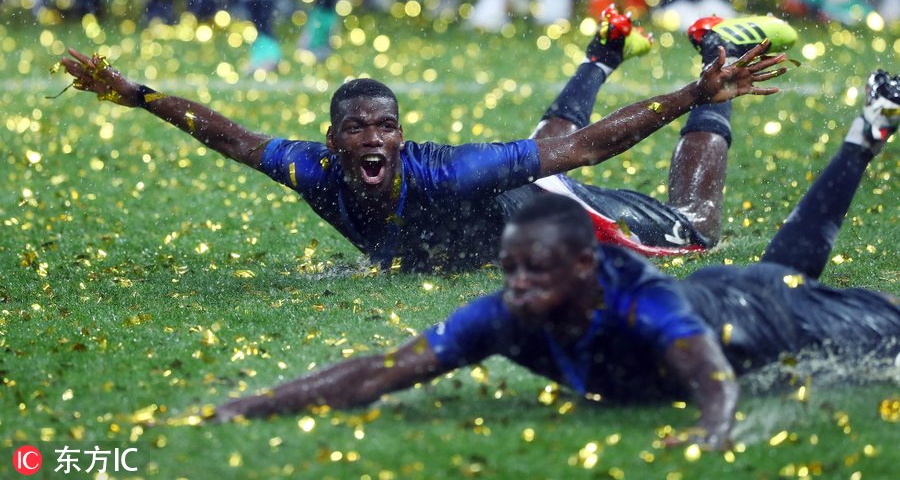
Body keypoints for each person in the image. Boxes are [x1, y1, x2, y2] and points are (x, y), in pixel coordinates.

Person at [211, 73, 900, 451]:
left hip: (753, 316)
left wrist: (711, 427)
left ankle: (773, 114)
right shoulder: (510, 312)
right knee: (779, 272)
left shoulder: (637, 294)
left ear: (582, 269)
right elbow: (388, 369)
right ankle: (864, 133)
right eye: (511, 272)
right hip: (726, 282)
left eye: (533, 273)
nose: (517, 287)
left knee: (731, 251)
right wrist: (260, 402)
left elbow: (709, 374)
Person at [58, 10, 793, 271]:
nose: (373, 137)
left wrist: (694, 96)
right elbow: (232, 137)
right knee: (529, 150)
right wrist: (138, 95)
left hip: (561, 218)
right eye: (358, 128)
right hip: (521, 190)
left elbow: (583, 152)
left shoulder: (441, 173)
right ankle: (602, 53)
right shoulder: (312, 170)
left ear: (403, 138)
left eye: (386, 125)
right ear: (333, 141)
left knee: (696, 231)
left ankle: (713, 64)